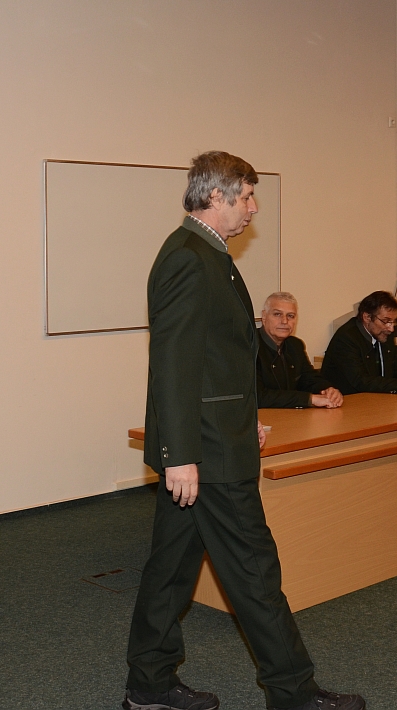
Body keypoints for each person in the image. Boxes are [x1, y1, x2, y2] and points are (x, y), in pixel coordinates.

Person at [124, 152, 364, 710]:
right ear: (217, 195)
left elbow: (219, 359)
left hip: (214, 436)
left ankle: (149, 684)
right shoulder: (188, 258)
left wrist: (244, 414)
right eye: (248, 196)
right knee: (255, 570)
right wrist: (180, 454)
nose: (254, 208)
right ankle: (293, 692)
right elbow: (173, 363)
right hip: (207, 453)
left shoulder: (209, 253)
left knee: (171, 570)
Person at [257, 292, 343, 409]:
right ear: (264, 316)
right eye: (277, 314)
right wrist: (310, 399)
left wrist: (328, 390)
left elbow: (309, 379)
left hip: (292, 416)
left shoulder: (295, 345)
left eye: (290, 316)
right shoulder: (248, 348)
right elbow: (258, 396)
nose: (284, 321)